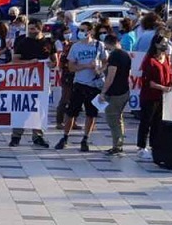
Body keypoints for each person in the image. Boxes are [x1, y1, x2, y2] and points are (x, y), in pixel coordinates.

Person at [54, 21, 104, 152]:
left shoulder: (99, 45)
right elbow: (71, 67)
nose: (81, 32)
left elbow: (106, 61)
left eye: (84, 30)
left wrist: (99, 69)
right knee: (71, 112)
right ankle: (65, 136)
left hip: (94, 85)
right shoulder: (76, 47)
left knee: (91, 113)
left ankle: (86, 138)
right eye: (80, 30)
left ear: (91, 32)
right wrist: (86, 66)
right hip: (79, 83)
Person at [9, 19, 52, 148]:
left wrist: (52, 64)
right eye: (30, 29)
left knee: (40, 110)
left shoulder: (49, 43)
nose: (31, 31)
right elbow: (15, 61)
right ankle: (16, 136)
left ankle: (38, 136)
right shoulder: (23, 42)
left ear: (40, 29)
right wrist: (29, 63)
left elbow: (55, 61)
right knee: (22, 108)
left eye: (33, 29)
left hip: (42, 82)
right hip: (25, 81)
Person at [137, 35, 172, 161]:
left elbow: (169, 74)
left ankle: (154, 145)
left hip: (162, 97)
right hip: (150, 96)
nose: (165, 45)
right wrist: (163, 88)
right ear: (156, 45)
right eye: (163, 43)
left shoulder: (166, 58)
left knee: (157, 123)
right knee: (146, 122)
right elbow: (149, 82)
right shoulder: (149, 60)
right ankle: (141, 147)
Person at [99, 33, 133, 155]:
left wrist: (103, 91)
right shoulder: (126, 55)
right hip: (124, 90)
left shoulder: (114, 56)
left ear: (108, 44)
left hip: (115, 92)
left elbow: (111, 76)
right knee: (119, 118)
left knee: (113, 119)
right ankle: (119, 143)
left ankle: (117, 145)